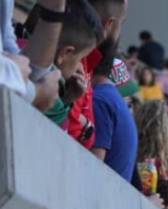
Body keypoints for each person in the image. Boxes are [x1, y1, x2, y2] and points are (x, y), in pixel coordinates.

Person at [64, 0, 126, 148]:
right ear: (109, 24)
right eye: (122, 23)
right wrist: (87, 126)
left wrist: (86, 126)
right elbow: (72, 130)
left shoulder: (88, 61)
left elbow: (90, 138)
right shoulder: (75, 58)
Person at [39, 1, 102, 131]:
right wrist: (66, 103)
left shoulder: (18, 48)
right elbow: (55, 134)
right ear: (65, 53)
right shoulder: (48, 88)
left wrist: (68, 98)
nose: (80, 66)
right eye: (81, 58)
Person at [89, 52, 137, 181]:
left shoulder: (101, 99)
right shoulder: (113, 102)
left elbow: (93, 165)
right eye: (124, 94)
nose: (127, 99)